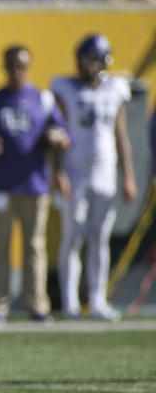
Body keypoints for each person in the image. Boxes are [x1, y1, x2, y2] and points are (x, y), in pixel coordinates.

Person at [0, 46, 70, 323]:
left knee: (34, 247)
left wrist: (57, 145)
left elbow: (63, 137)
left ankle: (36, 303)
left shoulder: (43, 100)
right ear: (4, 65)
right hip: (0, 183)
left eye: (21, 65)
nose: (16, 71)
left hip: (35, 184)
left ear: (28, 66)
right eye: (11, 65)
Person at [51, 35, 136, 321]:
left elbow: (120, 135)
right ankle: (70, 302)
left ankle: (98, 299)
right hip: (75, 173)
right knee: (73, 237)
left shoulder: (115, 90)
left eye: (92, 59)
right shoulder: (66, 89)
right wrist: (59, 171)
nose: (88, 64)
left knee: (100, 238)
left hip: (105, 173)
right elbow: (58, 133)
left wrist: (129, 177)